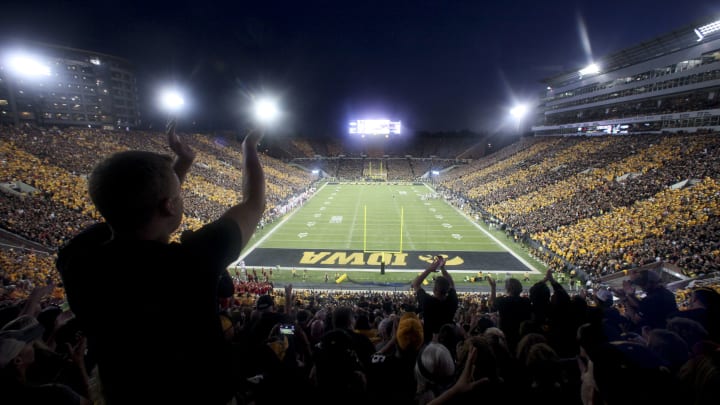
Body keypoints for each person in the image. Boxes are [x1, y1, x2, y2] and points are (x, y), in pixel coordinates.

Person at [56, 122, 266, 404]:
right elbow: (254, 201)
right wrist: (249, 146)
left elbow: (127, 211)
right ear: (169, 205)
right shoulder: (192, 262)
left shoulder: (79, 264)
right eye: (179, 193)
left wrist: (178, 167)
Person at [412, 256, 458, 344]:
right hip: (448, 340)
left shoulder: (428, 301)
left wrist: (429, 269)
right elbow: (452, 283)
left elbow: (416, 284)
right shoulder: (452, 300)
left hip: (429, 340)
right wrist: (442, 268)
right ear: (447, 290)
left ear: (434, 290)